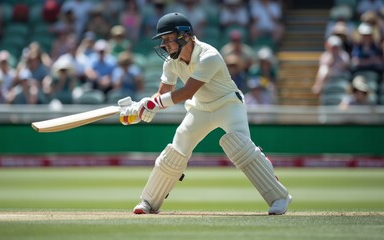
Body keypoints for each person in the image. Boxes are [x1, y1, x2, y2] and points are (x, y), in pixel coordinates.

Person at [118, 12, 291, 215]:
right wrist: (142, 106)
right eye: (163, 40)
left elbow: (187, 91)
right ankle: (148, 202)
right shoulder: (171, 62)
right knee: (177, 147)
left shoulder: (209, 56)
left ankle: (280, 197)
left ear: (184, 36)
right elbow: (163, 94)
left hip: (228, 105)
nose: (165, 44)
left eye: (168, 38)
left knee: (241, 148)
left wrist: (153, 104)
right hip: (200, 108)